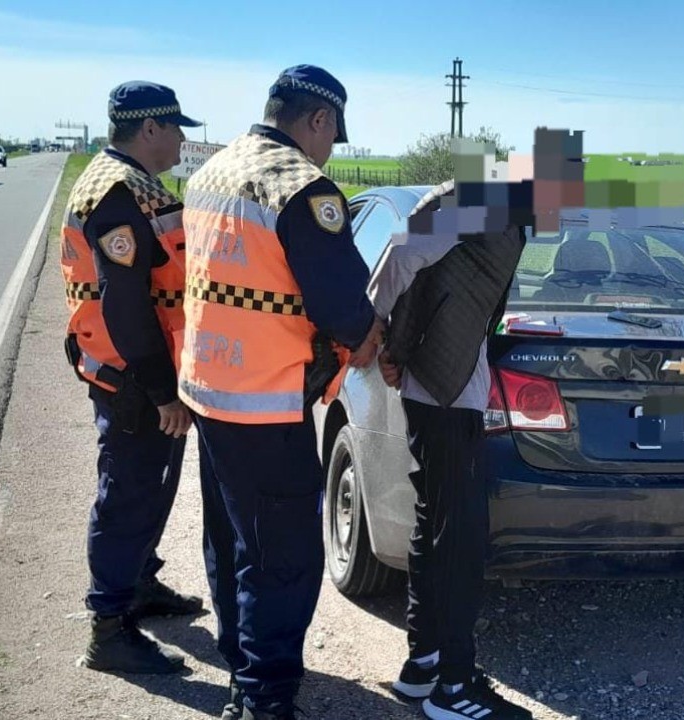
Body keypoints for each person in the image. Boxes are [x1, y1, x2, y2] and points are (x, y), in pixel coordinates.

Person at [179, 65, 384, 720]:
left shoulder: (211, 171)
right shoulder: (302, 188)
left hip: (210, 390)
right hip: (267, 400)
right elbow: (347, 309)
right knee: (285, 557)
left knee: (234, 539)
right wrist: (376, 339)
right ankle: (263, 700)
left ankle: (242, 659)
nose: (329, 150)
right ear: (317, 120)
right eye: (332, 135)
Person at [371, 130, 571, 719]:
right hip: (442, 386)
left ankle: (425, 664)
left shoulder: (504, 210)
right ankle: (453, 690)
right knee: (460, 539)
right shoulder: (479, 199)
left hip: (446, 379)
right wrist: (372, 331)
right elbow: (403, 253)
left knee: (438, 525)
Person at [60, 81, 205, 675]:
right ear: (150, 129)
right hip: (133, 377)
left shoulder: (133, 183)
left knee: (150, 487)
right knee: (127, 495)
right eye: (176, 129)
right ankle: (109, 629)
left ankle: (138, 583)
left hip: (141, 371)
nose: (180, 140)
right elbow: (126, 306)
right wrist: (162, 391)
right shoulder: (117, 194)